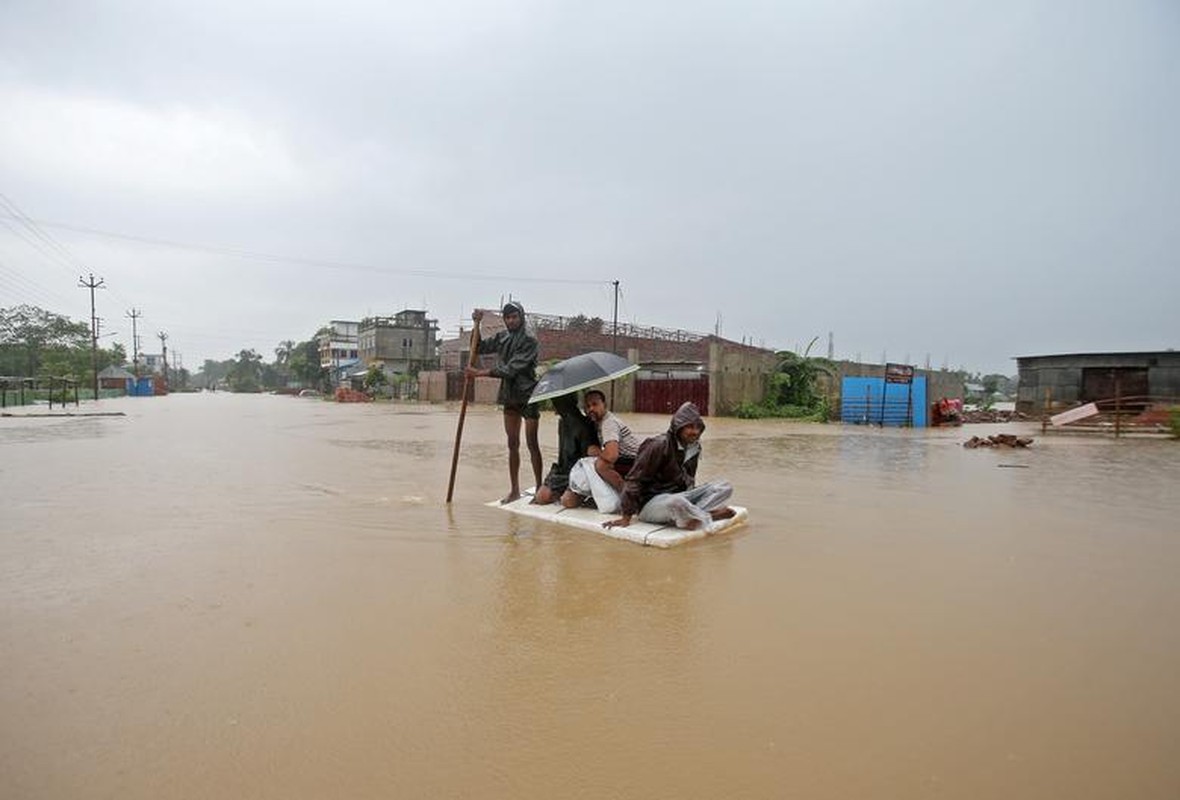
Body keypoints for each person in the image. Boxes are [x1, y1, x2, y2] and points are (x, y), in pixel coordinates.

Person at [603, 401, 736, 531]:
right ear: (678, 427)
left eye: (697, 427)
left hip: (680, 496)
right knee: (676, 502)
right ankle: (705, 516)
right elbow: (634, 480)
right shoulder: (658, 445)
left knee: (724, 486)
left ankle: (693, 516)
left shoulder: (694, 448)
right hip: (651, 504)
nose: (695, 432)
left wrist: (694, 497)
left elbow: (690, 479)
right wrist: (626, 517)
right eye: (689, 427)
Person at [466, 302, 543, 503]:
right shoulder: (502, 337)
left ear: (521, 317)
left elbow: (511, 369)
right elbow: (479, 348)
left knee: (532, 443)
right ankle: (514, 490)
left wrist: (479, 373)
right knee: (512, 444)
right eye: (507, 317)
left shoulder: (529, 340)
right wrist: (477, 325)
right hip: (509, 395)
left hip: (528, 395)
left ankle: (539, 488)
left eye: (514, 317)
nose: (510, 321)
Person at [532, 392, 598, 505]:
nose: (555, 406)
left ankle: (580, 494)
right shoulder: (562, 422)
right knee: (541, 497)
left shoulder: (585, 425)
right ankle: (562, 491)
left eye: (557, 402)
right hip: (563, 470)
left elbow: (589, 459)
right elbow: (562, 454)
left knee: (567, 501)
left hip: (579, 471)